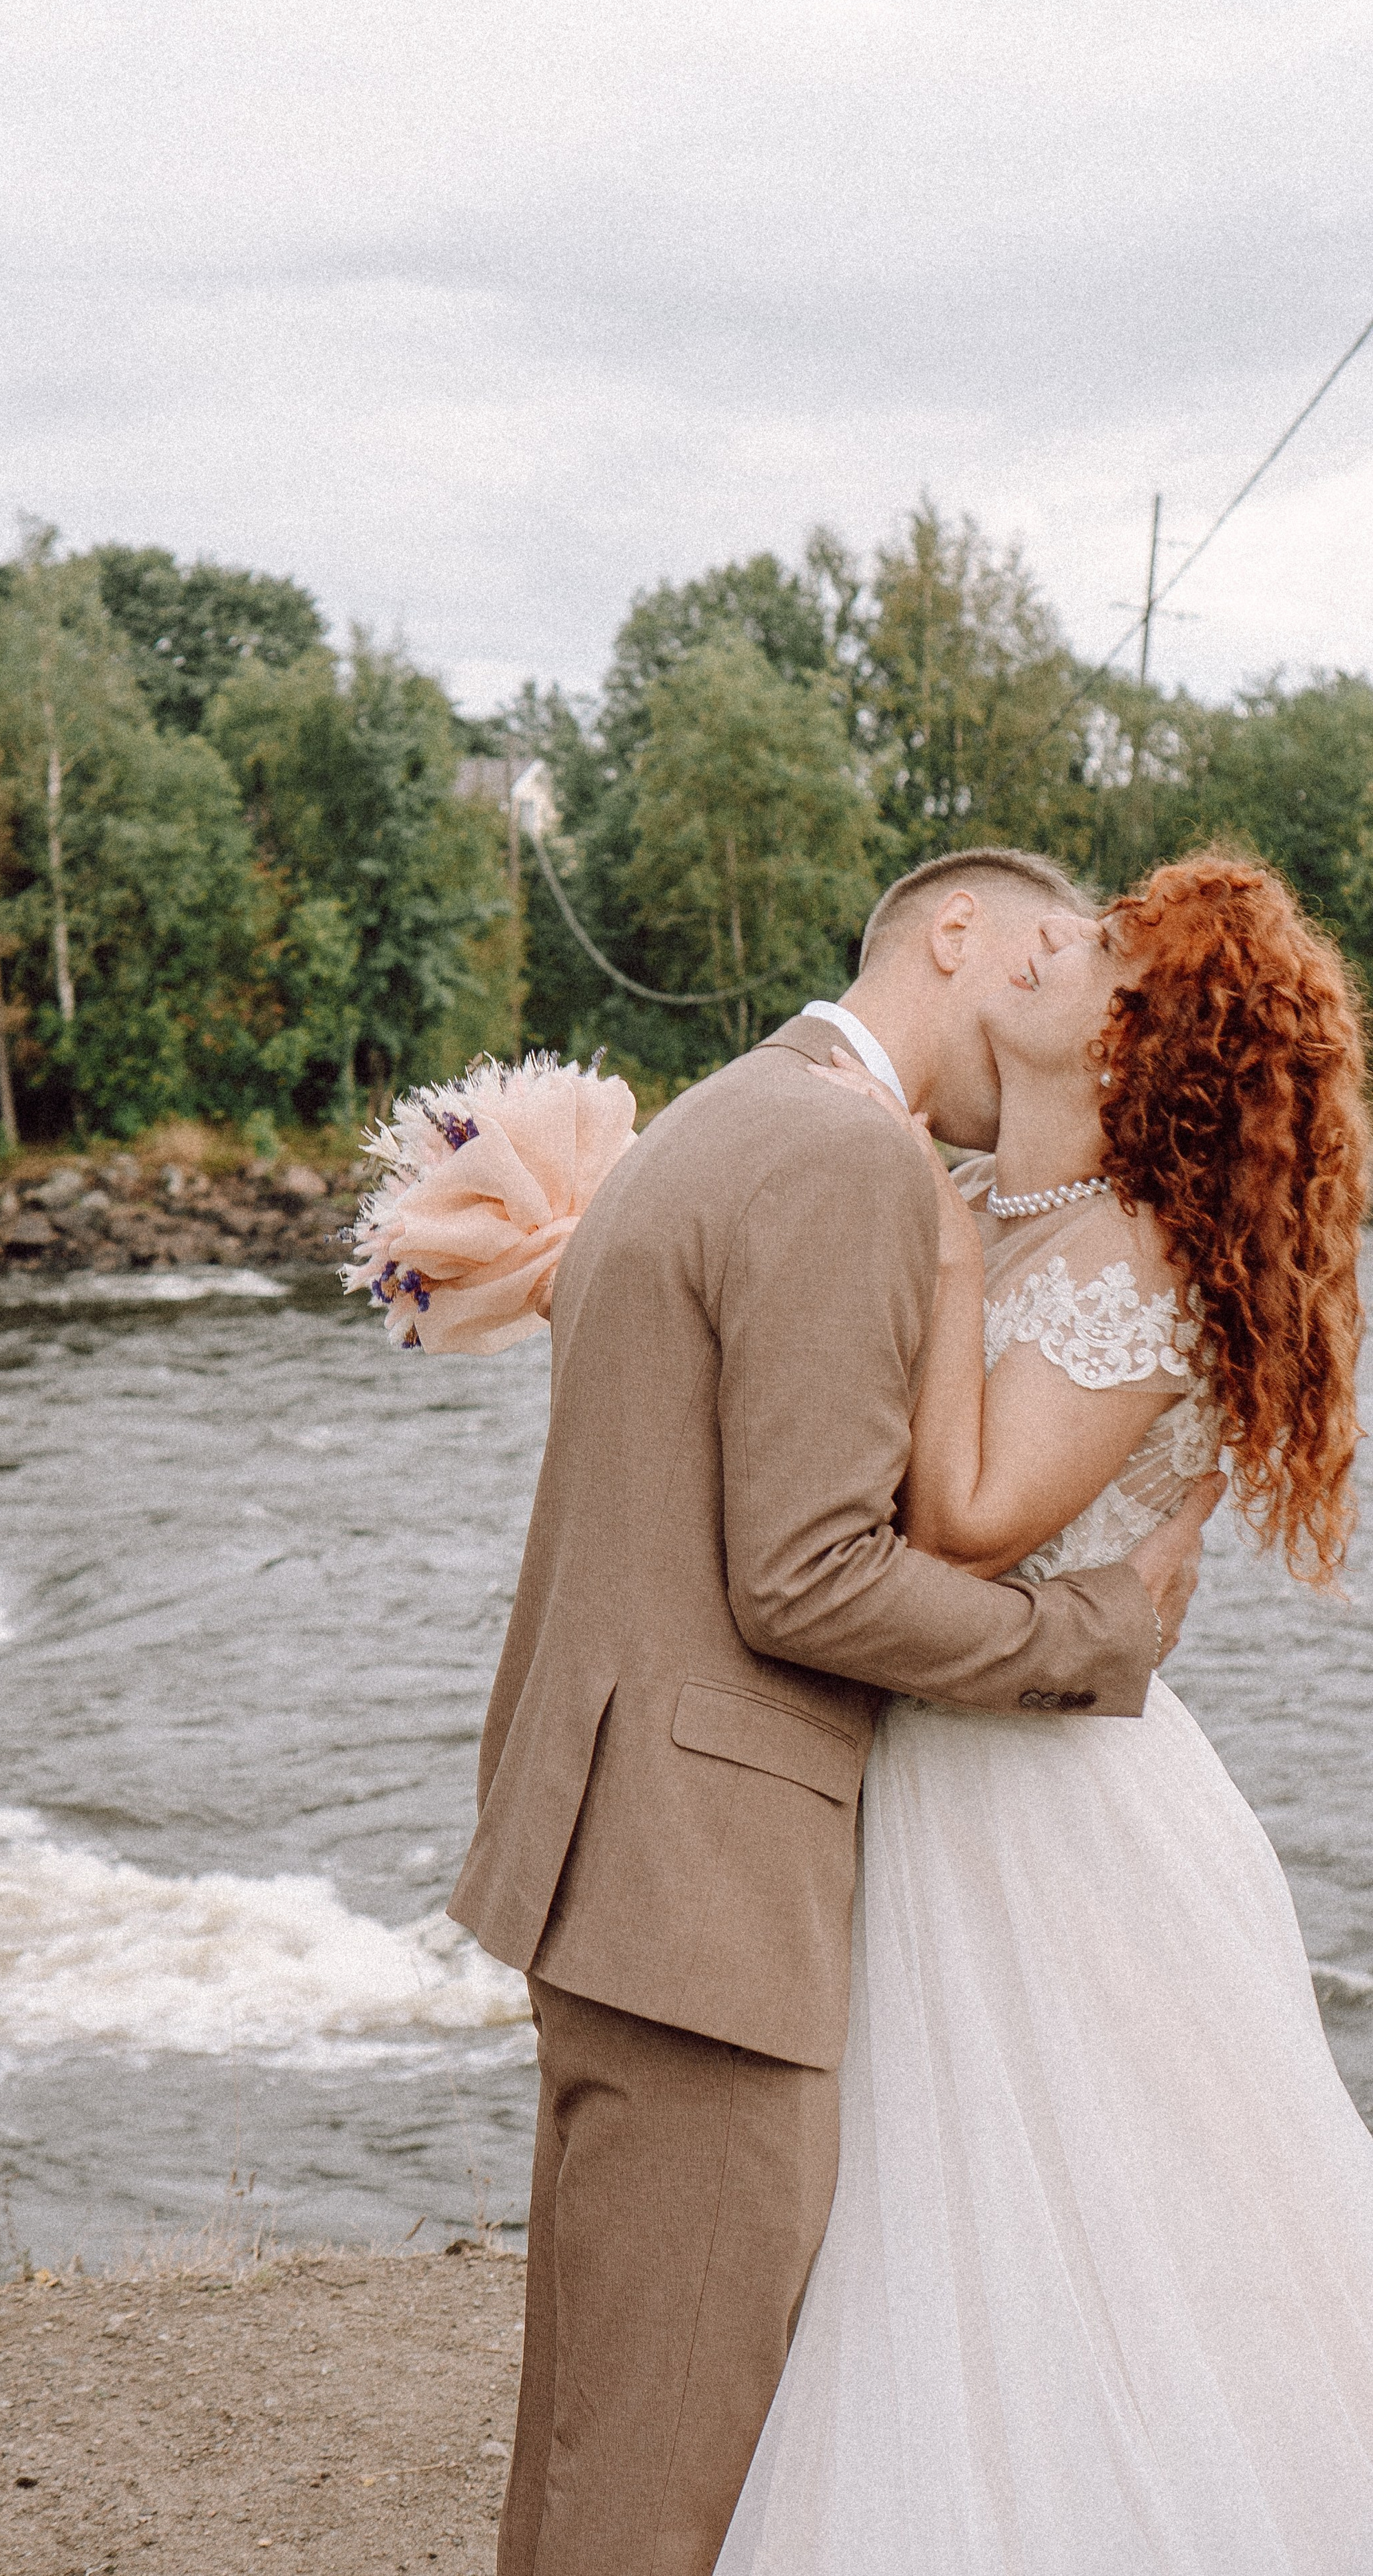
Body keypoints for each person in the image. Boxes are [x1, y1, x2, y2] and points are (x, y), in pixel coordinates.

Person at [443, 847, 1224, 2576]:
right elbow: (802, 1578)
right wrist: (1094, 1630)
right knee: (656, 2489)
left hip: (620, 1851)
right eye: (1055, 948)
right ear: (962, 937)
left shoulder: (724, 1115)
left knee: (592, 2438)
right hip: (703, 1887)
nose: (1073, 990)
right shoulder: (846, 1160)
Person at [717, 853, 1373, 2573]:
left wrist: (932, 1253)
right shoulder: (969, 1195)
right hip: (921, 1767)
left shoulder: (1137, 1254)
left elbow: (969, 1519)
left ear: (1140, 1035)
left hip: (1049, 1814)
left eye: (1097, 946)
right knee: (926, 2217)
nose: (1052, 942)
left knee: (1091, 2208)